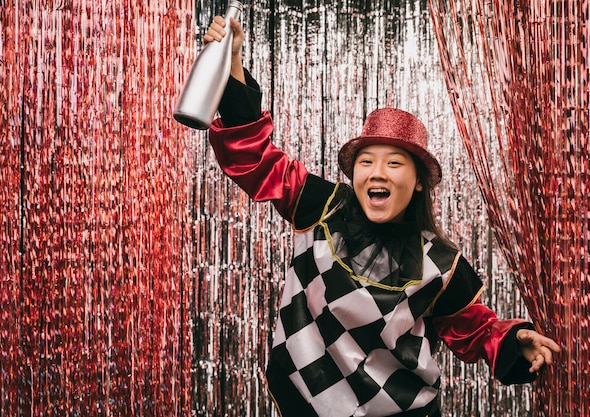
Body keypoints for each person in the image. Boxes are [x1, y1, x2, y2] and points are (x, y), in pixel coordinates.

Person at [202, 15, 561, 417]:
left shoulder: (440, 262)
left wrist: (516, 339)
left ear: (419, 182)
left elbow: (474, 329)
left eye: (394, 163)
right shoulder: (322, 207)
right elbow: (256, 160)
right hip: (308, 403)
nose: (376, 171)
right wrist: (232, 63)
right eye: (366, 161)